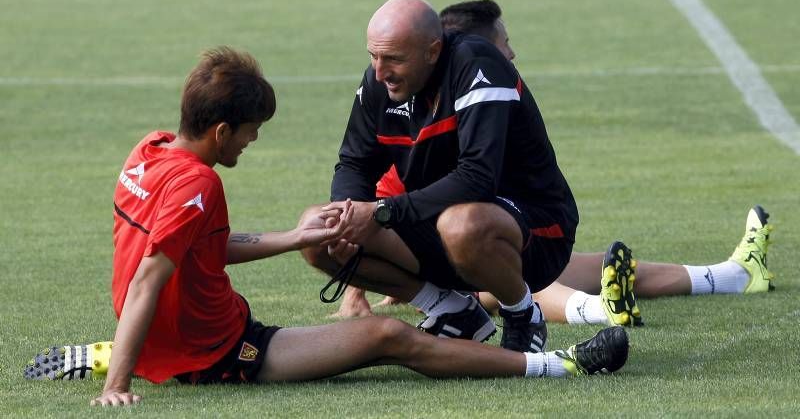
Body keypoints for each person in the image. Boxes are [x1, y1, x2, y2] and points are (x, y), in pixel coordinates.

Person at [23, 46, 629, 405]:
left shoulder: (148, 151)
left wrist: (298, 239)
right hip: (225, 350)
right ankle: (559, 365)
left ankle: (457, 312)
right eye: (253, 130)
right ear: (222, 132)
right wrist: (119, 386)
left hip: (182, 341)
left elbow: (191, 251)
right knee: (389, 340)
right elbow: (152, 278)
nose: (254, 140)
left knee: (365, 302)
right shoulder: (199, 183)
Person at [332, 0, 776, 329]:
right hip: (468, 249)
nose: (511, 57)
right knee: (488, 255)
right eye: (504, 45)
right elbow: (372, 207)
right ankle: (601, 309)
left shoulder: (487, 100)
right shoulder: (431, 100)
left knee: (566, 263)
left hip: (500, 237)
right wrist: (356, 284)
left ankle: (732, 275)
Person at [301, 0, 578, 354]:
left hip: (536, 231)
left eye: (393, 59)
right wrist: (347, 214)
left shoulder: (477, 65)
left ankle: (523, 315)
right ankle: (451, 311)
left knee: (462, 225)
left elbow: (478, 178)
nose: (380, 71)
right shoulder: (378, 83)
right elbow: (354, 163)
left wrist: (383, 212)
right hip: (439, 223)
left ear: (432, 51)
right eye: (374, 56)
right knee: (316, 228)